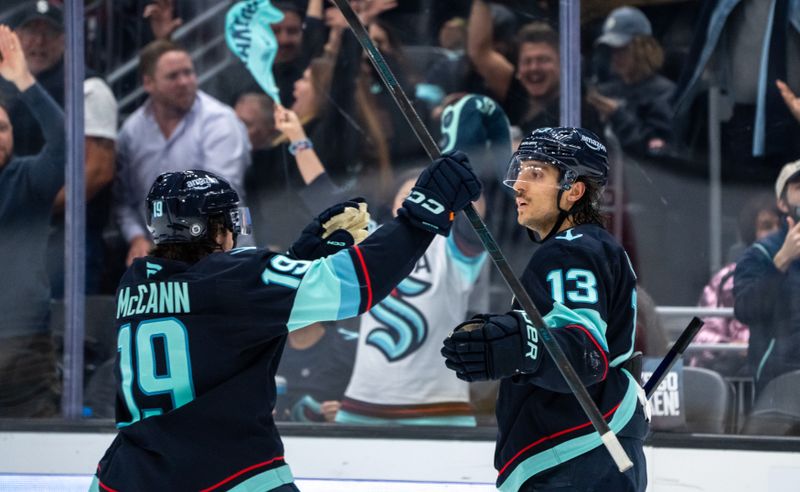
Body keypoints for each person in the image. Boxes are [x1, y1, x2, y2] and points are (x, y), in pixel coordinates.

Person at [90, 150, 482, 490]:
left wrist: (299, 259)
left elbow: (224, 322)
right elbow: (360, 283)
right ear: (215, 228)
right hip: (228, 473)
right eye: (228, 223)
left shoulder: (134, 281)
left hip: (126, 475)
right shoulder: (239, 278)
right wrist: (420, 215)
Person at [442, 127, 648, 491]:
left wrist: (520, 345)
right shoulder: (592, 246)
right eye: (519, 171)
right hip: (588, 452)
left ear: (573, 190)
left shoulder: (570, 250)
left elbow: (585, 355)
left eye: (535, 173)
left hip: (571, 455)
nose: (518, 185)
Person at [272, 97, 492, 425]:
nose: (417, 200)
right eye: (409, 195)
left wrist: (461, 163)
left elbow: (475, 209)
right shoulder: (375, 244)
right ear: (394, 206)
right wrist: (297, 138)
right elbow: (326, 196)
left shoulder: (455, 251)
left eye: (426, 193)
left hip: (439, 410)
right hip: (361, 406)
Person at [0, 1, 118, 297]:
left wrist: (30, 206)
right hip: (11, 237)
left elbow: (97, 170)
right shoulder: (3, 86)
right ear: (15, 37)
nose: (39, 42)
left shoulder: (89, 86)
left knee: (63, 332)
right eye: (30, 31)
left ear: (65, 39)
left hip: (67, 239)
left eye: (49, 33)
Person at [113, 39, 251, 267]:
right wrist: (136, 237)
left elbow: (220, 195)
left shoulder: (220, 121)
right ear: (148, 83)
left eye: (189, 73)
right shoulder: (132, 131)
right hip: (162, 262)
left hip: (224, 256)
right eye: (173, 76)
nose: (185, 82)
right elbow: (124, 201)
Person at [0, 24, 65, 417]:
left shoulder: (27, 178)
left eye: (4, 128)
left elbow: (62, 141)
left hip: (27, 349)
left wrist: (24, 80)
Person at [692, 193, 779, 373]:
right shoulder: (726, 279)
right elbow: (702, 335)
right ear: (751, 232)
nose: (776, 233)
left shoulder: (795, 276)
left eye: (782, 226)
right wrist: (733, 347)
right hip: (738, 384)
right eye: (767, 226)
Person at [734, 160, 800, 394]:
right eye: (798, 188)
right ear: (782, 203)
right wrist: (782, 261)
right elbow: (744, 309)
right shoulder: (761, 252)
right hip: (777, 382)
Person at [586, 6, 675, 158]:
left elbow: (656, 151)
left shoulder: (664, 93)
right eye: (612, 50)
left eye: (622, 49)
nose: (615, 57)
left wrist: (617, 114)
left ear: (643, 49)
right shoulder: (607, 91)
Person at [275, 321, 356, 422]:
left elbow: (371, 411)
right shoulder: (259, 346)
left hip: (335, 436)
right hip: (273, 435)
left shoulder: (354, 345)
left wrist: (346, 415)